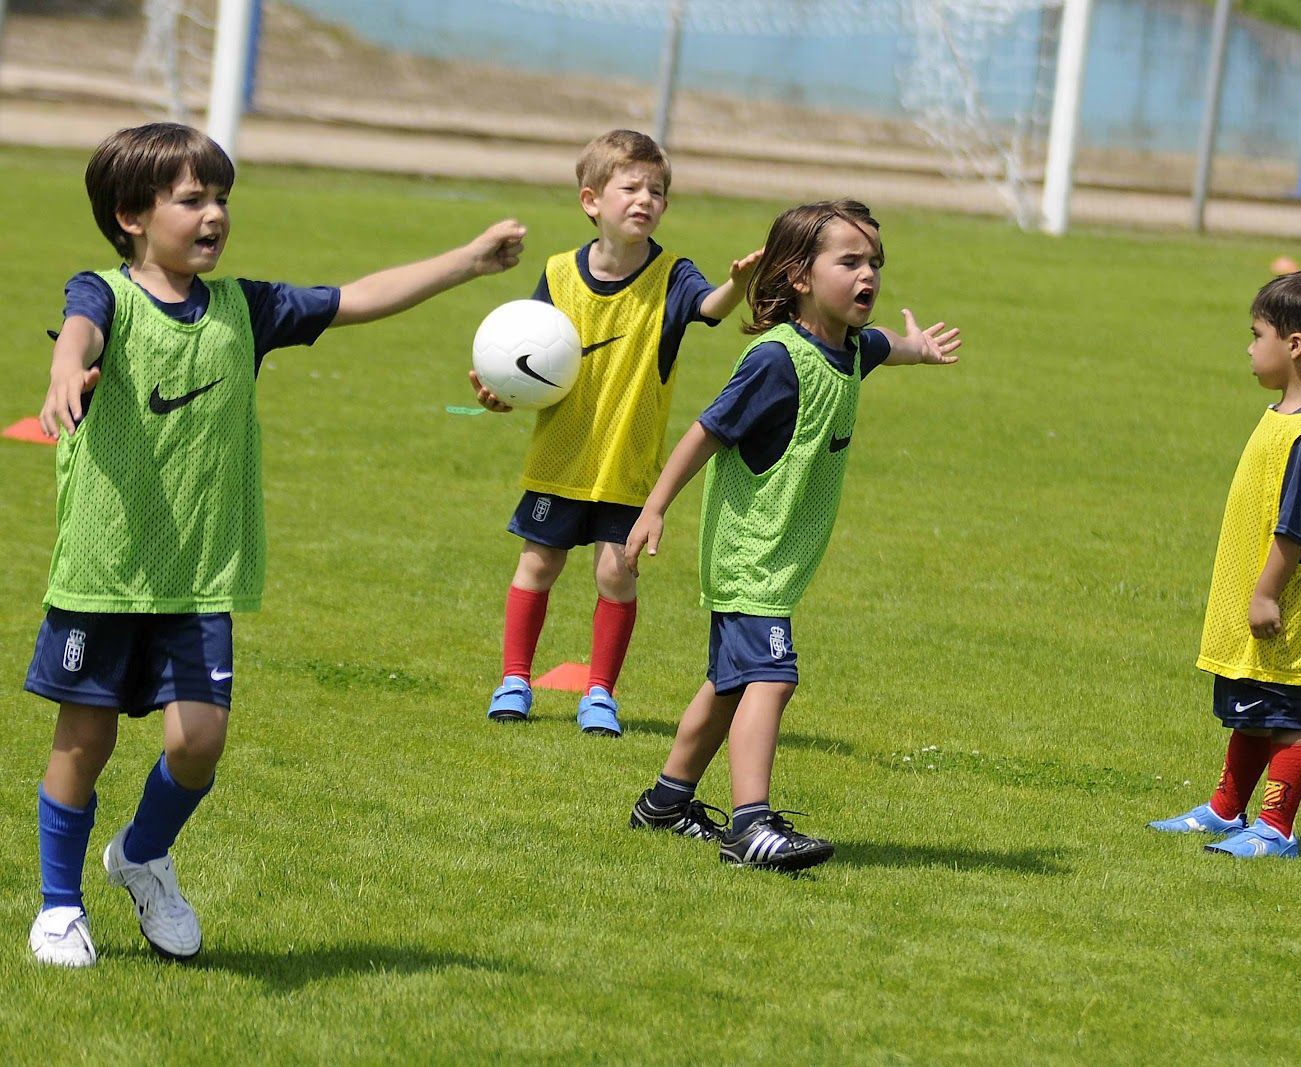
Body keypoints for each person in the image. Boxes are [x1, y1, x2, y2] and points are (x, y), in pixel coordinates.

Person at [25, 122, 526, 967]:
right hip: (106, 570)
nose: (215, 214)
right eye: (192, 199)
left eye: (222, 197)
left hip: (199, 574)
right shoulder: (103, 292)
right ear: (132, 216)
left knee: (198, 741)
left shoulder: (243, 308)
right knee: (86, 738)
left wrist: (468, 261)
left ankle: (142, 855)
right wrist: (63, 370)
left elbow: (356, 296)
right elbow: (82, 329)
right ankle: (59, 907)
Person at [621, 199, 961, 872]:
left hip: (777, 557)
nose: (870, 275)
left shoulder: (849, 345)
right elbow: (706, 430)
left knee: (729, 684)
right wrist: (654, 504)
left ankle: (665, 800)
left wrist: (916, 350)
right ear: (799, 276)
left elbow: (880, 347)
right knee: (773, 677)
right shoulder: (777, 359)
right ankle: (750, 826)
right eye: (851, 262)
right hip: (751, 555)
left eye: (876, 264)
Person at [470, 129, 761, 736]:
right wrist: (500, 395)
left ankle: (600, 693)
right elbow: (524, 356)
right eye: (630, 187)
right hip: (560, 458)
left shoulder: (673, 275)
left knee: (614, 573)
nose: (645, 200)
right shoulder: (556, 275)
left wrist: (737, 283)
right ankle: (514, 680)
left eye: (657, 191)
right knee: (538, 563)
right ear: (591, 200)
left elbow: (708, 310)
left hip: (627, 465)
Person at [1148, 268, 1301, 859]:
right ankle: (1224, 811)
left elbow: (1296, 527)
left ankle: (1277, 828)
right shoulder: (1281, 417)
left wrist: (1267, 593)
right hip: (1254, 604)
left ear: (1295, 345)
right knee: (1251, 711)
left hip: (1278, 608)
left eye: (1257, 333)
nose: (1248, 345)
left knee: (1285, 715)